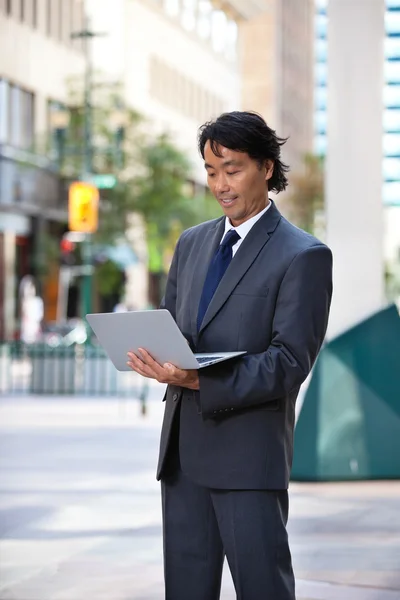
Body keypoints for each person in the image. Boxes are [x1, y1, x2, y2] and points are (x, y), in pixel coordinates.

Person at [127, 111, 333, 600]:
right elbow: (173, 328)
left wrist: (196, 378)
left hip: (248, 461)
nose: (220, 184)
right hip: (183, 458)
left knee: (263, 589)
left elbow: (289, 362)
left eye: (233, 169)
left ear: (266, 167)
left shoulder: (302, 255)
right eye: (211, 170)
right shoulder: (192, 243)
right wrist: (153, 355)